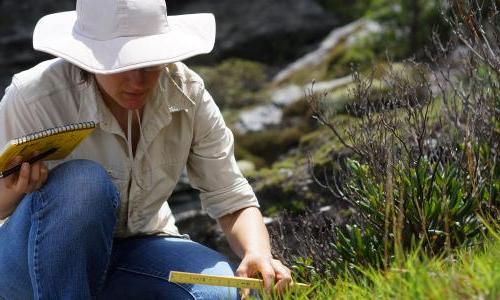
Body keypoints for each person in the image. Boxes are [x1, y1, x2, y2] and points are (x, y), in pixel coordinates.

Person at [0, 0, 292, 299]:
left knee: (223, 293)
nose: (138, 81)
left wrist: (257, 252)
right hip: (30, 261)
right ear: (88, 56)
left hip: (140, 246)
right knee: (83, 183)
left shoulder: (187, 92)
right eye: (122, 65)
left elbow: (229, 194)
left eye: (150, 63)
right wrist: (11, 191)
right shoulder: (33, 97)